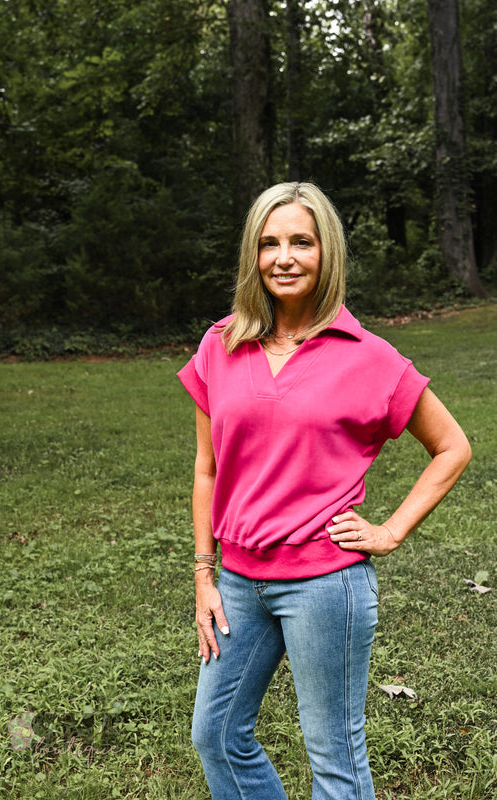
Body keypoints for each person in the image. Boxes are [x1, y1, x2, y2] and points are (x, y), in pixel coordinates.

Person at [177, 181, 471, 800]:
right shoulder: (222, 343)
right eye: (269, 243)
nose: (284, 258)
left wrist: (390, 531)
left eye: (301, 242)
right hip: (238, 583)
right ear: (253, 255)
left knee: (334, 757)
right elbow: (207, 468)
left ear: (326, 251)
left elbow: (452, 447)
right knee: (216, 735)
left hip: (325, 585)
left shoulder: (369, 357)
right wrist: (204, 572)